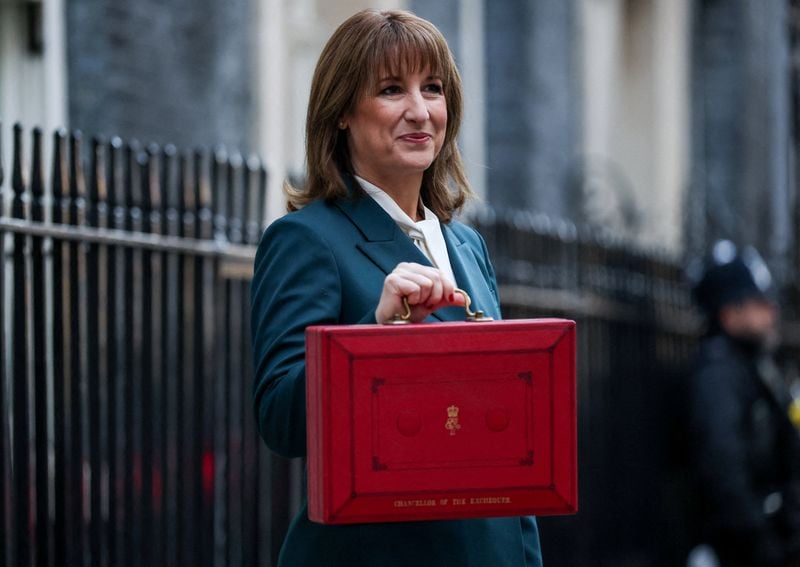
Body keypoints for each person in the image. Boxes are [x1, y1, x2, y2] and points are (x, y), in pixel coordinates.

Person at [250, 9, 543, 567]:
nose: (419, 110)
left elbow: (508, 442)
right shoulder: (306, 239)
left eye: (432, 88)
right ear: (341, 112)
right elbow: (280, 421)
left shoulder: (467, 246)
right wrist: (375, 333)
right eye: (391, 89)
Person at [687, 240, 800, 567]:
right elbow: (724, 470)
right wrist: (764, 545)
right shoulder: (719, 376)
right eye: (758, 302)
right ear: (730, 313)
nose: (771, 311)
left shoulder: (749, 366)